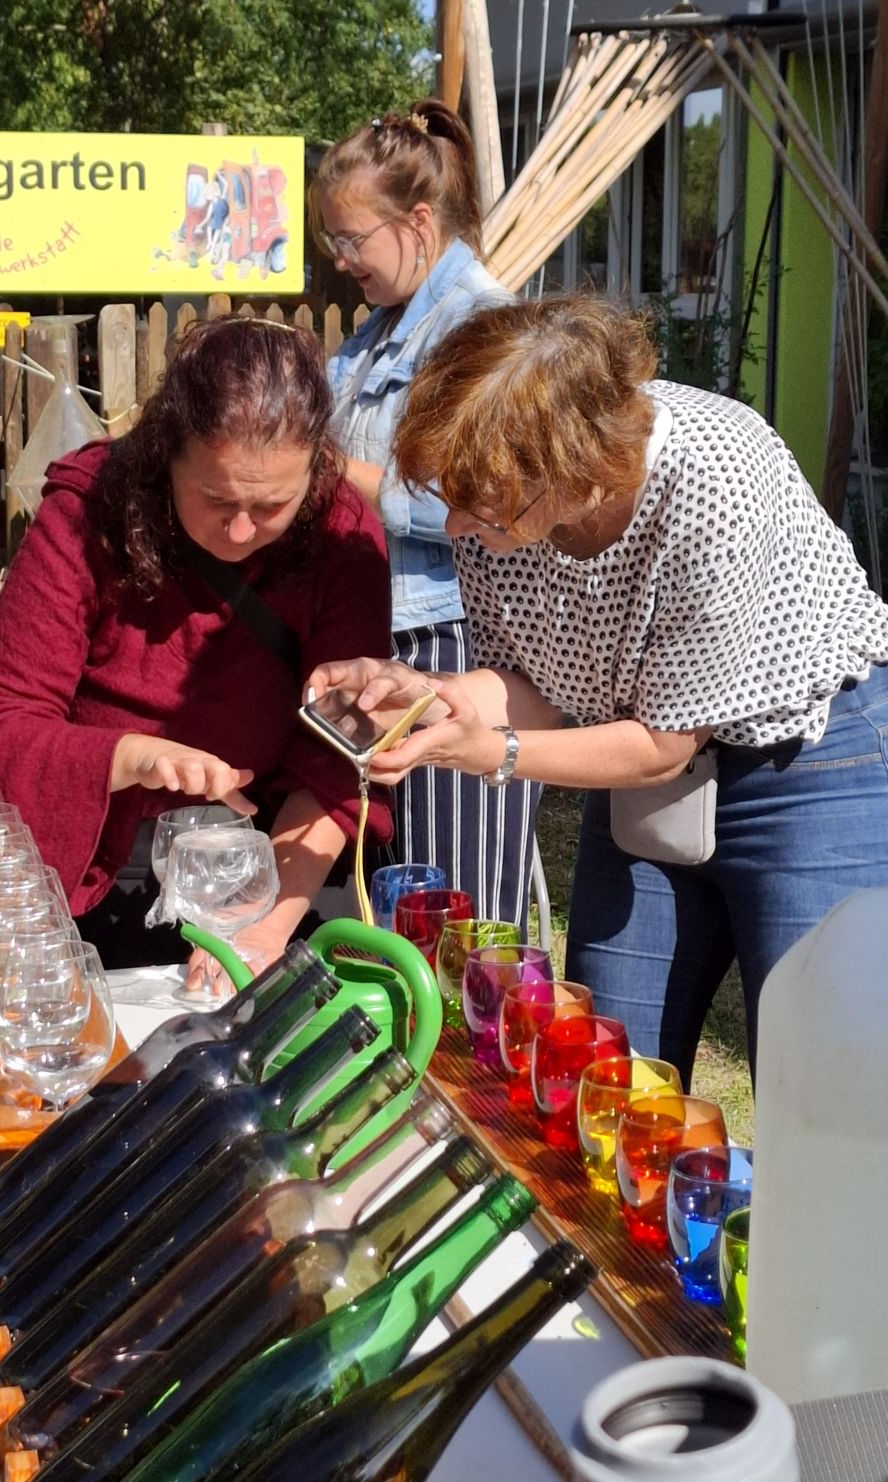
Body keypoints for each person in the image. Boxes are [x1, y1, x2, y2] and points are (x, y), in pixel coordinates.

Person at [307, 292, 888, 1082]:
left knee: (812, 1075)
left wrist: (490, 754)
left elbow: (661, 744)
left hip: (807, 764)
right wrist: (422, 694)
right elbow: (526, 685)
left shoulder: (713, 477)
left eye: (475, 503)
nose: (454, 529)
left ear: (569, 467)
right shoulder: (501, 504)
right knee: (599, 1068)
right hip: (644, 761)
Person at [0, 315, 393, 975]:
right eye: (216, 499)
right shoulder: (88, 511)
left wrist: (262, 925)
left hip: (275, 865)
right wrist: (126, 755)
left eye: (272, 505)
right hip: (95, 870)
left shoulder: (340, 533)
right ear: (167, 455)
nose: (242, 531)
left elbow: (341, 757)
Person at [311, 100, 538, 929]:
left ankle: (464, 1059)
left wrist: (333, 469)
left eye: (350, 239)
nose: (340, 261)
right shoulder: (376, 331)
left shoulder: (482, 325)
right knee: (394, 899)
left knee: (457, 909)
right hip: (384, 638)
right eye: (331, 242)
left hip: (457, 636)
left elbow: (476, 503)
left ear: (415, 221)